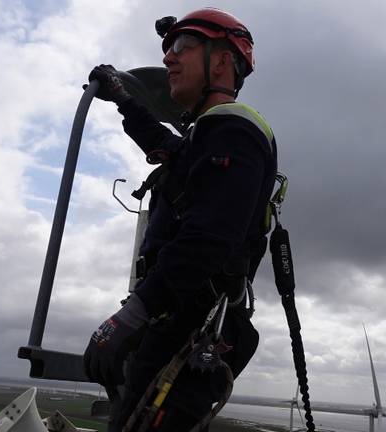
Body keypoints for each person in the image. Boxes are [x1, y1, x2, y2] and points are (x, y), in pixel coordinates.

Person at [83, 8, 277, 431]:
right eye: (168, 49)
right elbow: (163, 146)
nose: (169, 58)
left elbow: (208, 239)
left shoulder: (235, 131)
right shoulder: (206, 136)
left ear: (223, 62)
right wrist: (125, 100)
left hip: (196, 334)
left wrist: (130, 316)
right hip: (177, 326)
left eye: (182, 48)